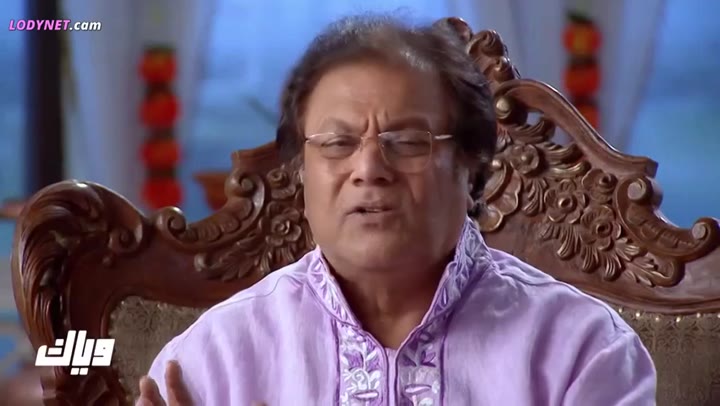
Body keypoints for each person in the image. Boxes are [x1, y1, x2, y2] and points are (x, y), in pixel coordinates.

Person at [136, 14, 656, 406]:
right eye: (337, 143)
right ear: (300, 173)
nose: (369, 169)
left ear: (472, 165)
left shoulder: (582, 349)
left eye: (406, 142)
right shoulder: (212, 359)